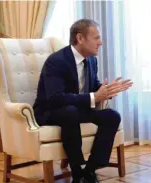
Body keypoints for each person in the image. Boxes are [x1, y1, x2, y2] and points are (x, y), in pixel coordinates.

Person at [33, 19, 133, 183]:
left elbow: (92, 86)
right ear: (80, 38)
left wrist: (106, 91)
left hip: (76, 109)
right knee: (69, 112)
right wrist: (94, 97)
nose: (100, 43)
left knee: (112, 116)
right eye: (96, 38)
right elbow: (56, 98)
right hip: (51, 111)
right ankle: (77, 168)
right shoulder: (56, 61)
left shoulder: (92, 60)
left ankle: (90, 169)